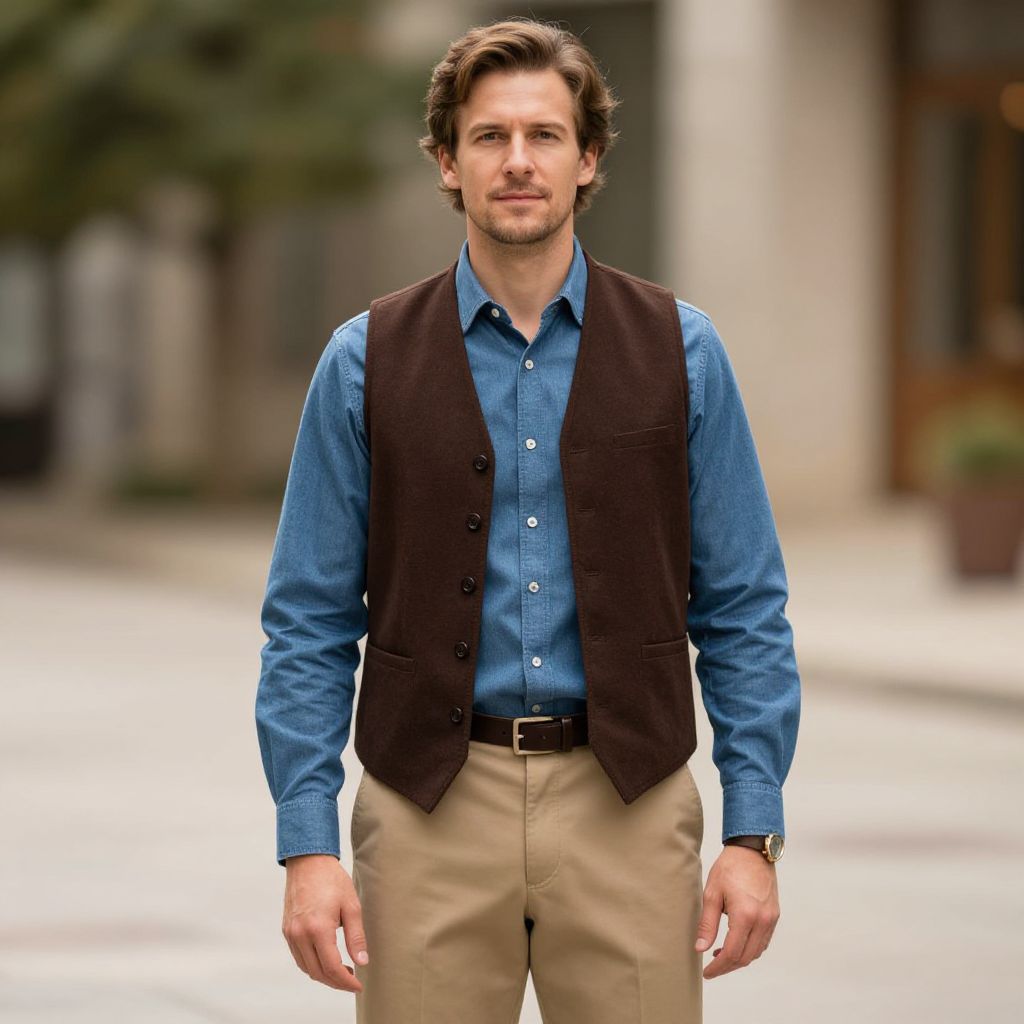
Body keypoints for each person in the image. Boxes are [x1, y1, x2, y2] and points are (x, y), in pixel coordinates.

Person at [255, 16, 800, 1024]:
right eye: (489, 136)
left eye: (545, 135)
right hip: (425, 811)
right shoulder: (362, 360)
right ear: (447, 161)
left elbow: (744, 607)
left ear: (587, 158)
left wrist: (751, 831)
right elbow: (307, 621)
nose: (518, 161)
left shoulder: (683, 351)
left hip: (630, 805)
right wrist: (307, 844)